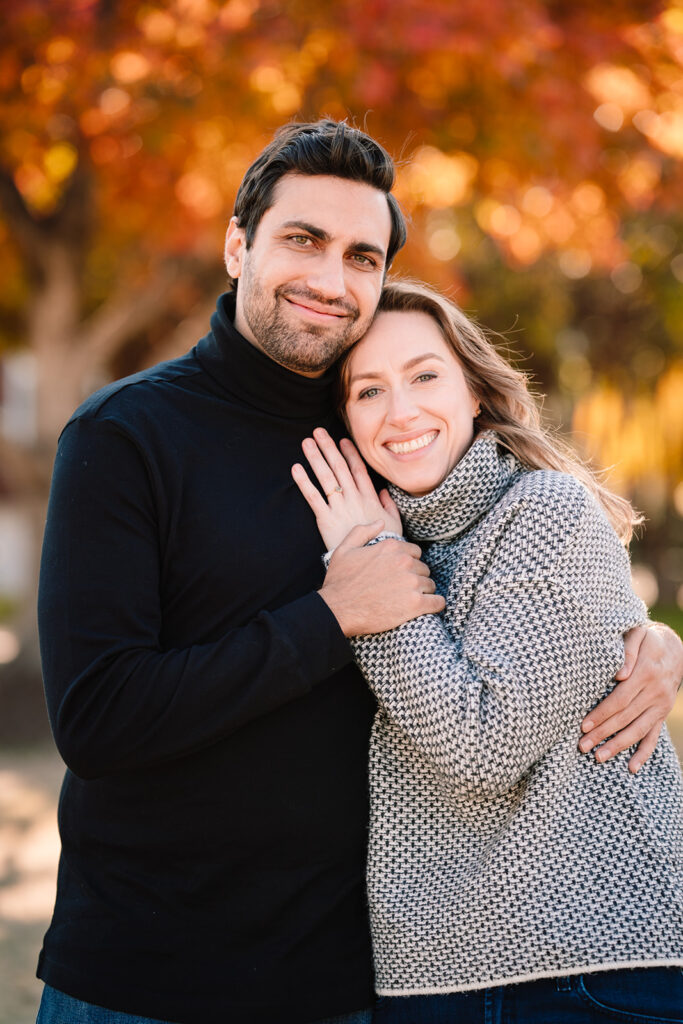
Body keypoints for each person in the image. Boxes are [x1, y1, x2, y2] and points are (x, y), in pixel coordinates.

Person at [36, 120, 682, 1024]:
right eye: (302, 240)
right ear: (237, 245)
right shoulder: (126, 437)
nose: (331, 279)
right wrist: (331, 616)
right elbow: (97, 719)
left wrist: (636, 635)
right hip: (148, 977)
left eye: (362, 256)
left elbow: (504, 585)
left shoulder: (383, 442)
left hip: (344, 980)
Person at [292, 278, 683, 1023]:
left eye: (425, 376)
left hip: (581, 971)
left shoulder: (543, 510)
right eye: (367, 390)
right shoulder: (380, 536)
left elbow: (480, 748)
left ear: (475, 391)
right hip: (426, 979)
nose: (400, 411)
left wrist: (371, 565)